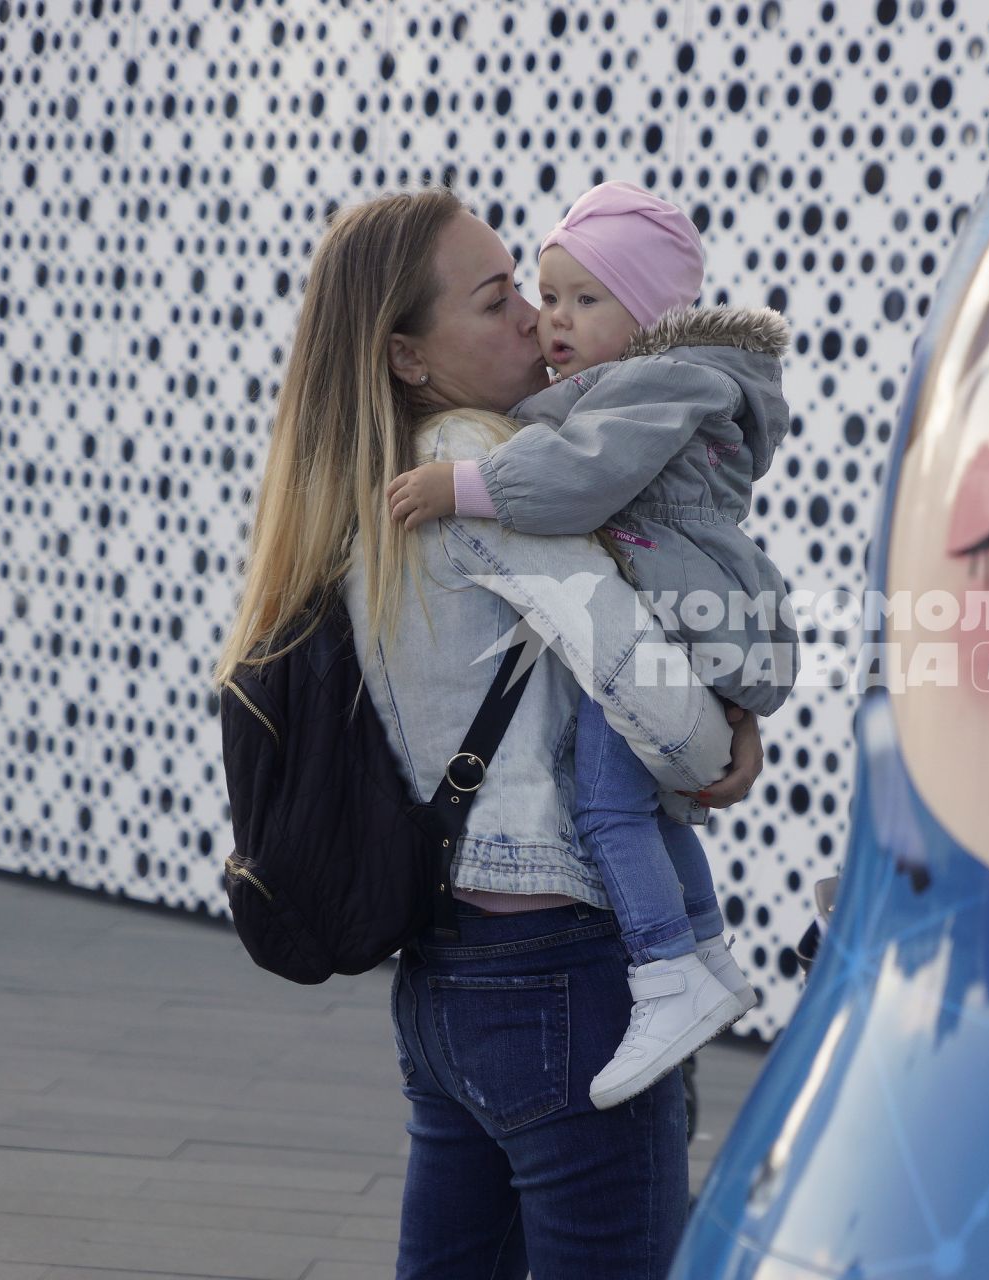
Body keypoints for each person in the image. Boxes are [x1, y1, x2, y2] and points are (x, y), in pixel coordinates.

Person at [212, 186, 763, 1279]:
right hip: (562, 968)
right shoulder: (486, 477)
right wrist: (729, 735)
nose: (532, 315)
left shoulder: (377, 485)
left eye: (530, 285)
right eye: (496, 296)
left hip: (445, 981)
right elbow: (658, 708)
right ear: (409, 356)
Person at [385, 181, 798, 1109]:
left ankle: (670, 966)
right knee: (642, 808)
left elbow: (579, 478)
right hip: (683, 617)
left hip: (676, 617)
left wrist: (463, 487)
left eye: (580, 300)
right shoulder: (644, 385)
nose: (548, 323)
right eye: (536, 295)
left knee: (614, 810)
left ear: (649, 316)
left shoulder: (648, 388)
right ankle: (697, 948)